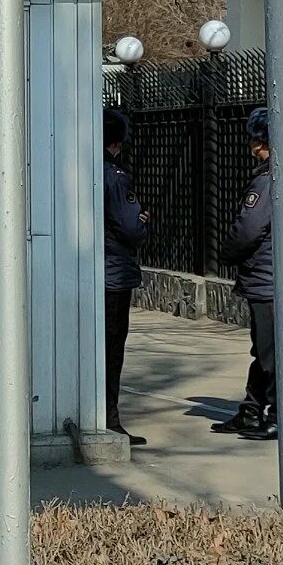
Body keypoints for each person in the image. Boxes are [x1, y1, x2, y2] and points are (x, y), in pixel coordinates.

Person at [212, 107, 276, 441]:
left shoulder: (266, 181)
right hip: (265, 276)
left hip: (266, 279)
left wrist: (228, 252)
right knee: (264, 349)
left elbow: (249, 228)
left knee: (270, 353)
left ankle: (276, 414)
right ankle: (253, 409)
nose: (253, 149)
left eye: (258, 142)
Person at [103, 109, 152, 447]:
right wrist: (144, 220)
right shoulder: (117, 177)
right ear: (117, 142)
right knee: (111, 350)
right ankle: (110, 419)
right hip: (114, 274)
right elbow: (131, 227)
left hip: (90, 271)